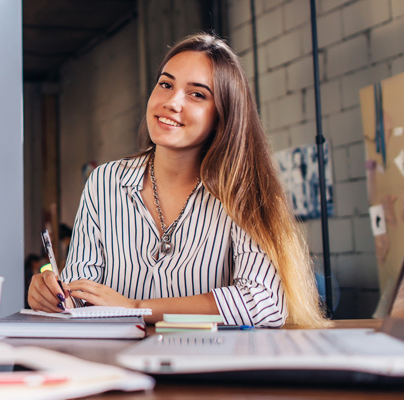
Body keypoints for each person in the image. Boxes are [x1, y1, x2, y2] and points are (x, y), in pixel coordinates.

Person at [28, 33, 327, 328]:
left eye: (197, 94)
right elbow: (82, 293)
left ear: (223, 115)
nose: (172, 101)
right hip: (118, 364)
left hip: (207, 367)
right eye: (166, 85)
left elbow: (263, 302)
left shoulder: (242, 191)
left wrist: (136, 308)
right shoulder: (104, 182)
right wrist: (55, 297)